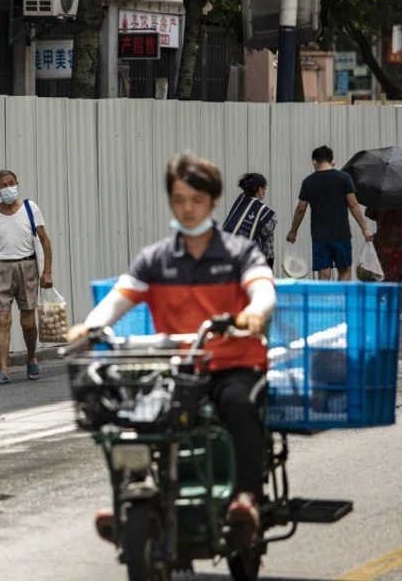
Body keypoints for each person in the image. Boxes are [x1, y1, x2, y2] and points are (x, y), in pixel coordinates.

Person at [67, 153, 276, 547]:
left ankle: (247, 498)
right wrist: (91, 325)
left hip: (234, 364)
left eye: (196, 199)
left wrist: (252, 313)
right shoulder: (155, 259)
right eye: (179, 199)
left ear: (213, 202)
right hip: (181, 367)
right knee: (129, 411)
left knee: (238, 404)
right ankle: (132, 491)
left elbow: (262, 287)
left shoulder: (238, 252)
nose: (187, 208)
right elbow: (120, 297)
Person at [0, 170, 54, 384]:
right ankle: (3, 369)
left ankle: (30, 357)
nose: (8, 188)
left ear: (17, 184)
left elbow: (45, 241)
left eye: (11, 183)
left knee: (28, 322)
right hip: (1, 269)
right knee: (3, 319)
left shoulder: (30, 208)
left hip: (27, 267)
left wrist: (47, 271)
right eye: (3, 185)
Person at [286, 145, 373, 281]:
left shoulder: (308, 182)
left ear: (314, 161)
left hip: (319, 237)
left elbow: (301, 209)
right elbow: (353, 204)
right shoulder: (344, 178)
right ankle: (340, 301)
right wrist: (365, 229)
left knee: (324, 271)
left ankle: (325, 301)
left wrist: (293, 231)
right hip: (341, 234)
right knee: (344, 270)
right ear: (331, 160)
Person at [222, 173, 277, 269]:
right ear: (260, 190)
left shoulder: (240, 201)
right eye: (265, 189)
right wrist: (274, 220)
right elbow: (265, 233)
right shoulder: (263, 211)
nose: (265, 191)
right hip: (250, 258)